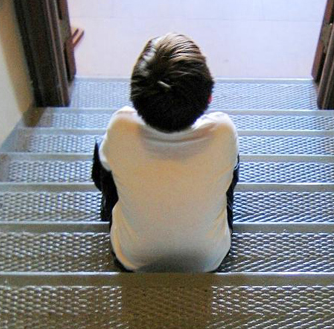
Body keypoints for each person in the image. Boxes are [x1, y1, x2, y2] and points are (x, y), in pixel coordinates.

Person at [91, 33, 239, 272]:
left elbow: (105, 170)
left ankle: (107, 209)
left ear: (136, 96)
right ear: (209, 97)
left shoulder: (120, 126)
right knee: (230, 163)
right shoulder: (223, 130)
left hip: (131, 257)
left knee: (105, 151)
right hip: (209, 258)